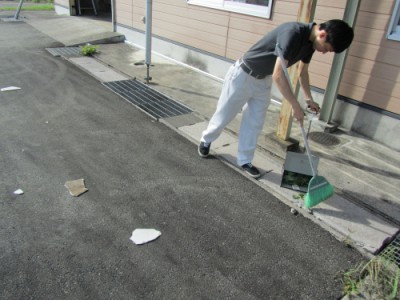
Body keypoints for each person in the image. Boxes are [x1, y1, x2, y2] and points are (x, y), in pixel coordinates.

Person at [198, 19, 354, 178]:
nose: (323, 52)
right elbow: (278, 74)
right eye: (326, 49)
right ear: (322, 34)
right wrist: (295, 106)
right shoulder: (293, 33)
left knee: (254, 122)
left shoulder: (311, 44)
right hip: (243, 74)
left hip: (263, 80)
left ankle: (245, 160)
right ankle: (206, 139)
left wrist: (308, 99)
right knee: (224, 114)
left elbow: (302, 72)